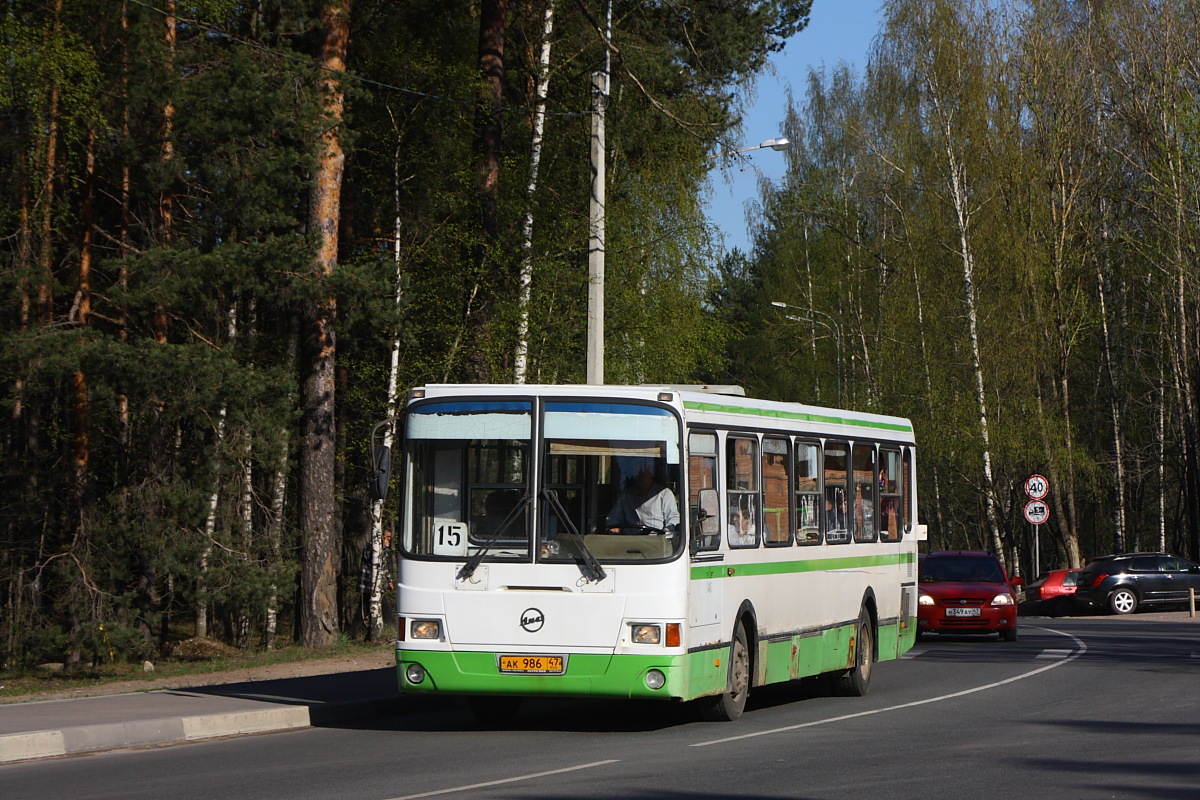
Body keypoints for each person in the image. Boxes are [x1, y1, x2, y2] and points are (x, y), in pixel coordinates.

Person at [605, 459, 679, 534]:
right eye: (636, 470)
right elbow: (613, 517)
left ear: (652, 472)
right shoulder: (626, 495)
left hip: (655, 542)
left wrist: (667, 531)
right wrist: (614, 526)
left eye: (643, 469)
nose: (640, 473)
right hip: (629, 541)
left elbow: (673, 518)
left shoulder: (664, 494)